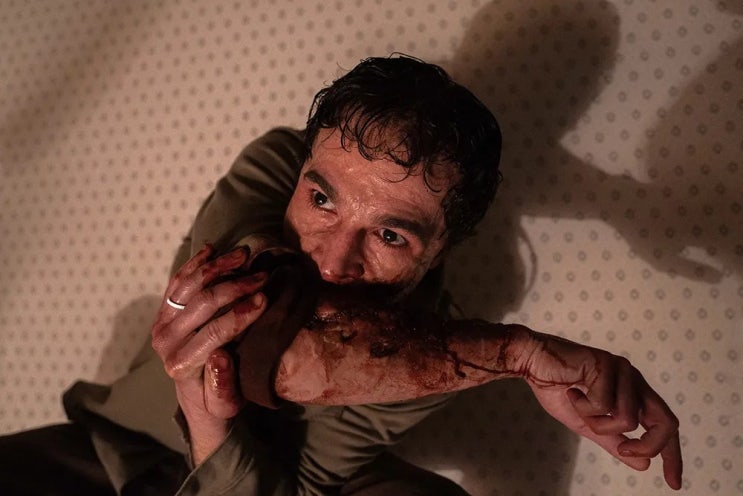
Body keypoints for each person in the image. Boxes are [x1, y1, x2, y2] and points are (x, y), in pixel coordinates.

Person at [0, 56, 682, 495]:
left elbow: (291, 483)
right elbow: (267, 335)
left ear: (443, 247)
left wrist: (210, 428)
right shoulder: (274, 166)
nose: (331, 260)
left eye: (390, 235)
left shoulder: (436, 345)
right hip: (102, 451)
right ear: (302, 168)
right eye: (322, 199)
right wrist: (517, 353)